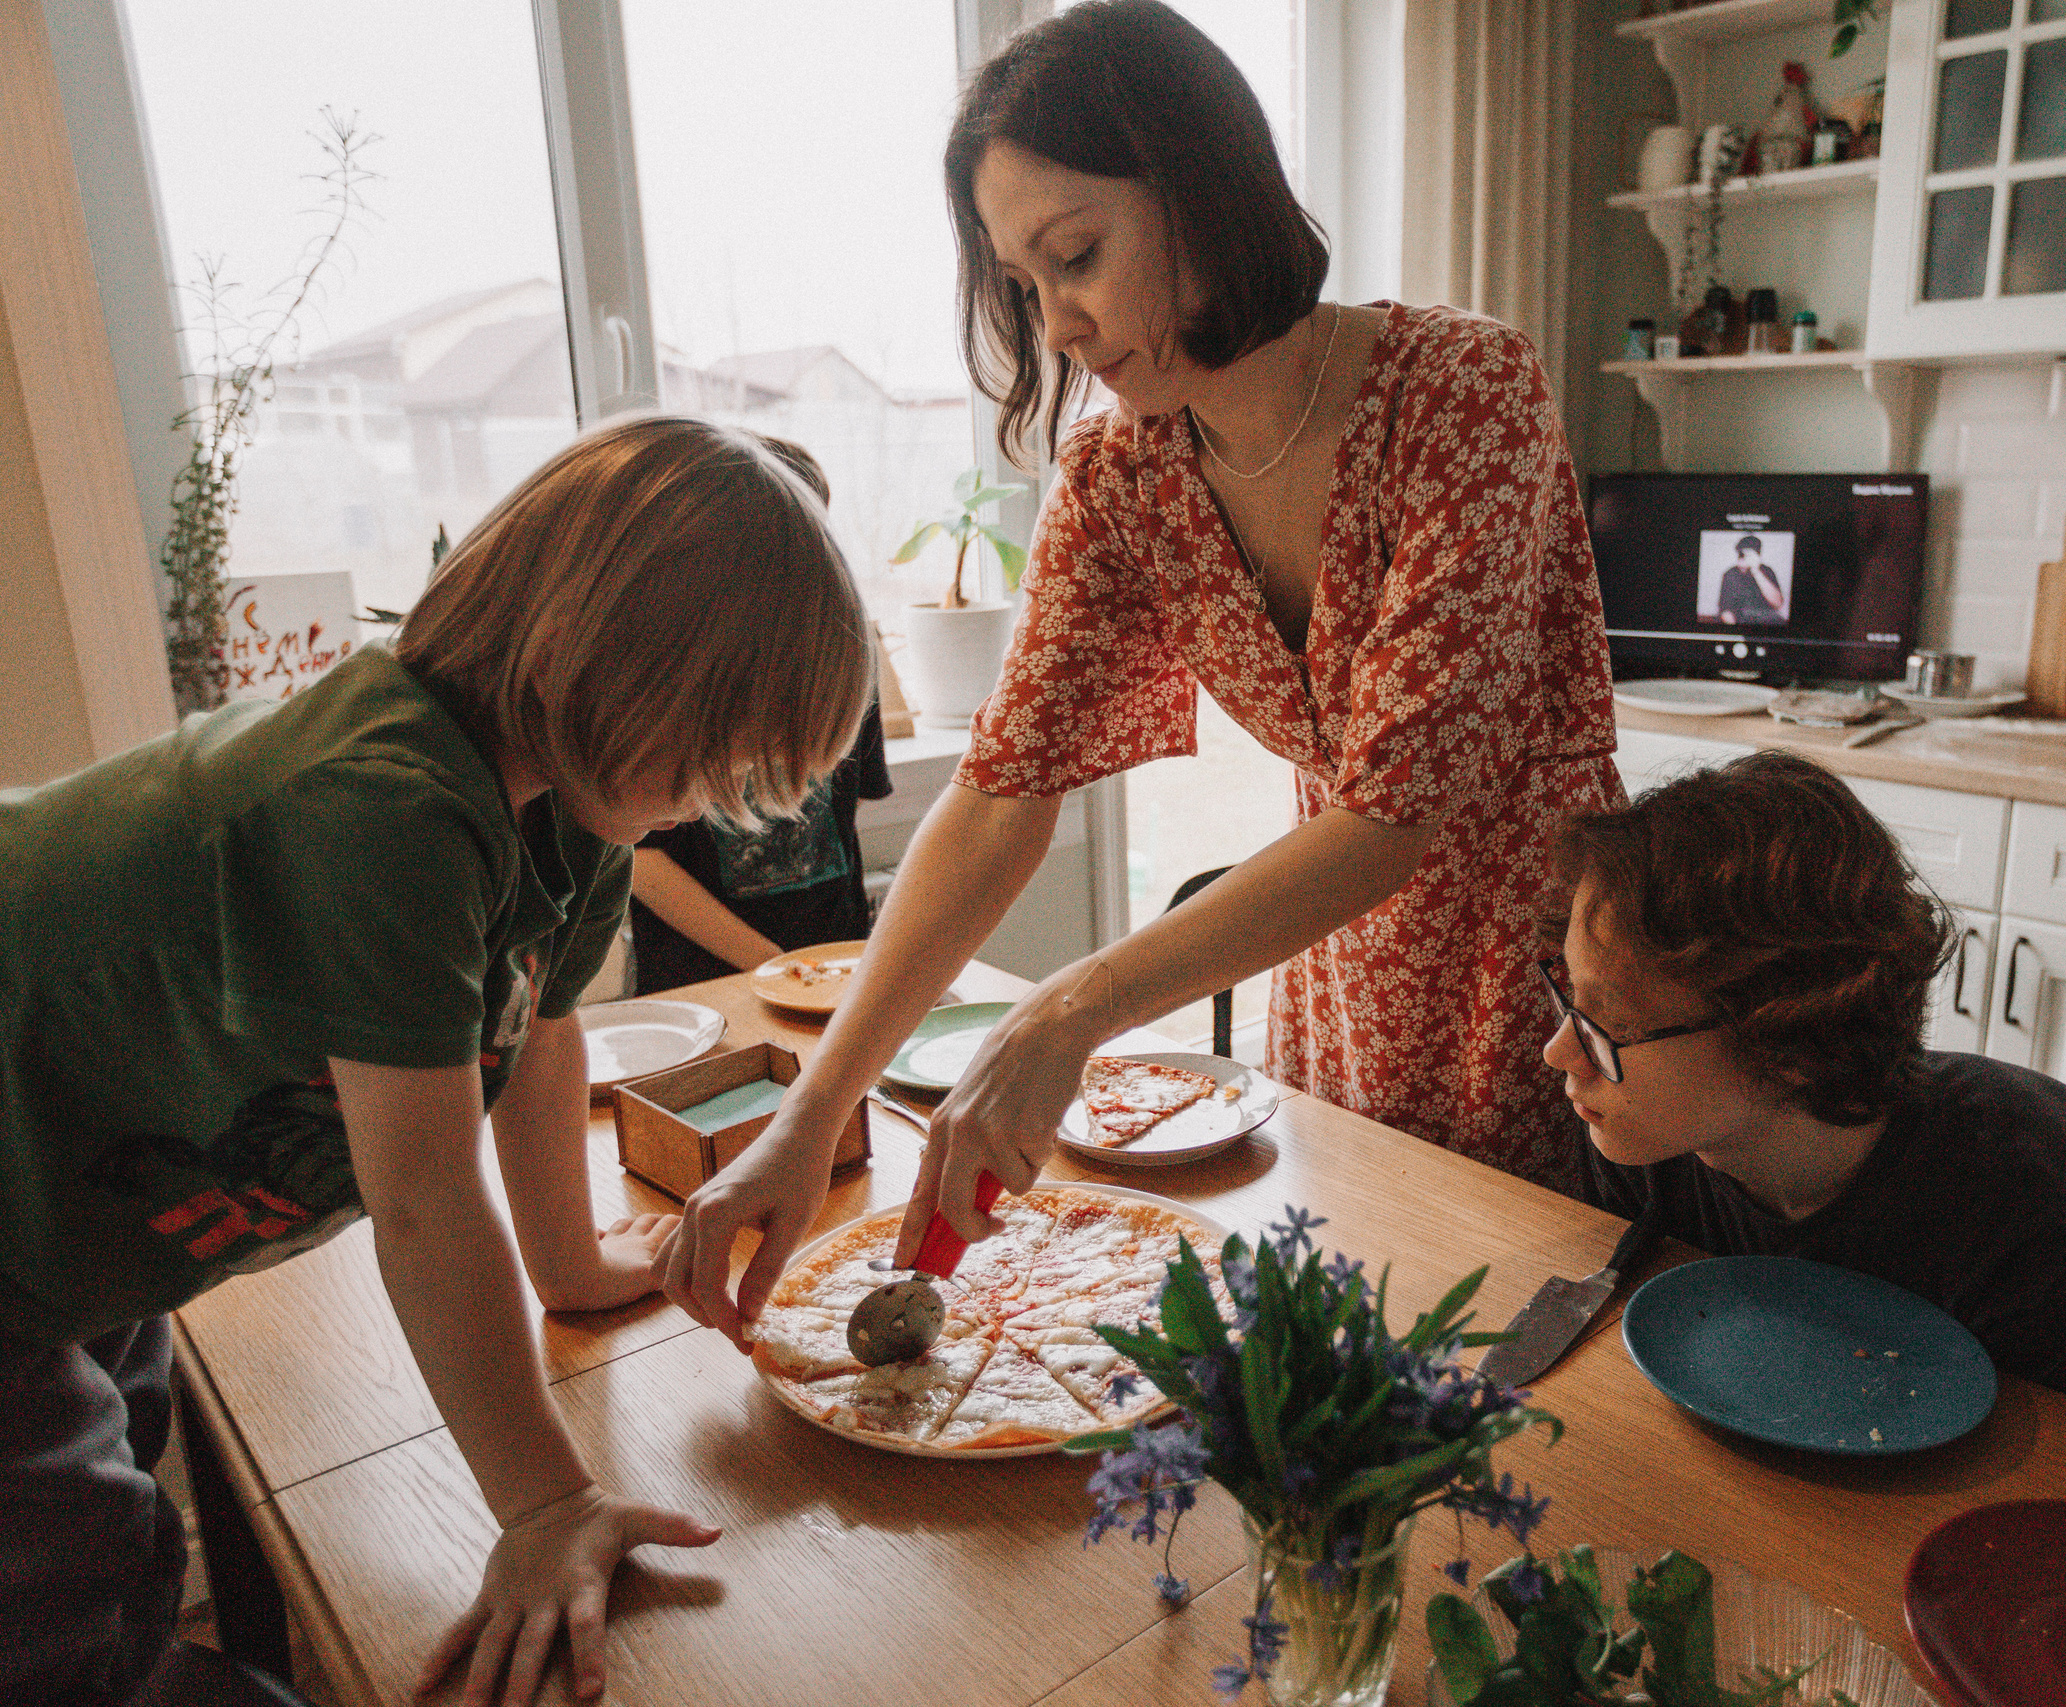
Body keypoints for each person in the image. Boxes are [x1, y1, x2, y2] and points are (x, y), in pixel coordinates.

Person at [654, 0, 1621, 1344]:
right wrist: (809, 1118)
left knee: (1535, 1374)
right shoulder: (1124, 473)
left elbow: (1398, 811)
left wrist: (1068, 1010)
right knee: (1358, 1366)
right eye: (1023, 284)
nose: (1057, 323)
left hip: (1554, 970)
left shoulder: (1461, 390)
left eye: (1078, 255)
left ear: (1204, 190)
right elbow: (1001, 790)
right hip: (1341, 977)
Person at [0, 415, 871, 1707]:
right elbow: (422, 1198)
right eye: (709, 742)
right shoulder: (385, 798)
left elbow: (540, 1042)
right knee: (81, 1628)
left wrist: (569, 1265)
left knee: (116, 1459)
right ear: (606, 658)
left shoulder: (577, 827)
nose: (714, 790)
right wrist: (543, 1501)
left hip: (87, 1186)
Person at [1545, 751, 2066, 1454]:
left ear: (1785, 1038)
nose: (1559, 1052)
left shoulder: (2038, 1208)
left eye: (1615, 1024)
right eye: (1571, 996)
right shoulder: (1640, 1138)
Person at [627, 444, 893, 995]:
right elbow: (637, 858)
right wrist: (773, 964)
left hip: (833, 964)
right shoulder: (681, 665)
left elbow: (850, 807)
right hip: (701, 980)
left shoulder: (842, 652)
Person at [1714, 535, 1785, 626]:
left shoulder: (1766, 571)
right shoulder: (1730, 574)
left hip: (1765, 622)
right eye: (1741, 554)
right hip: (1740, 622)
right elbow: (1726, 611)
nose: (1744, 557)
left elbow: (1778, 604)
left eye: (1749, 555)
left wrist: (1756, 571)